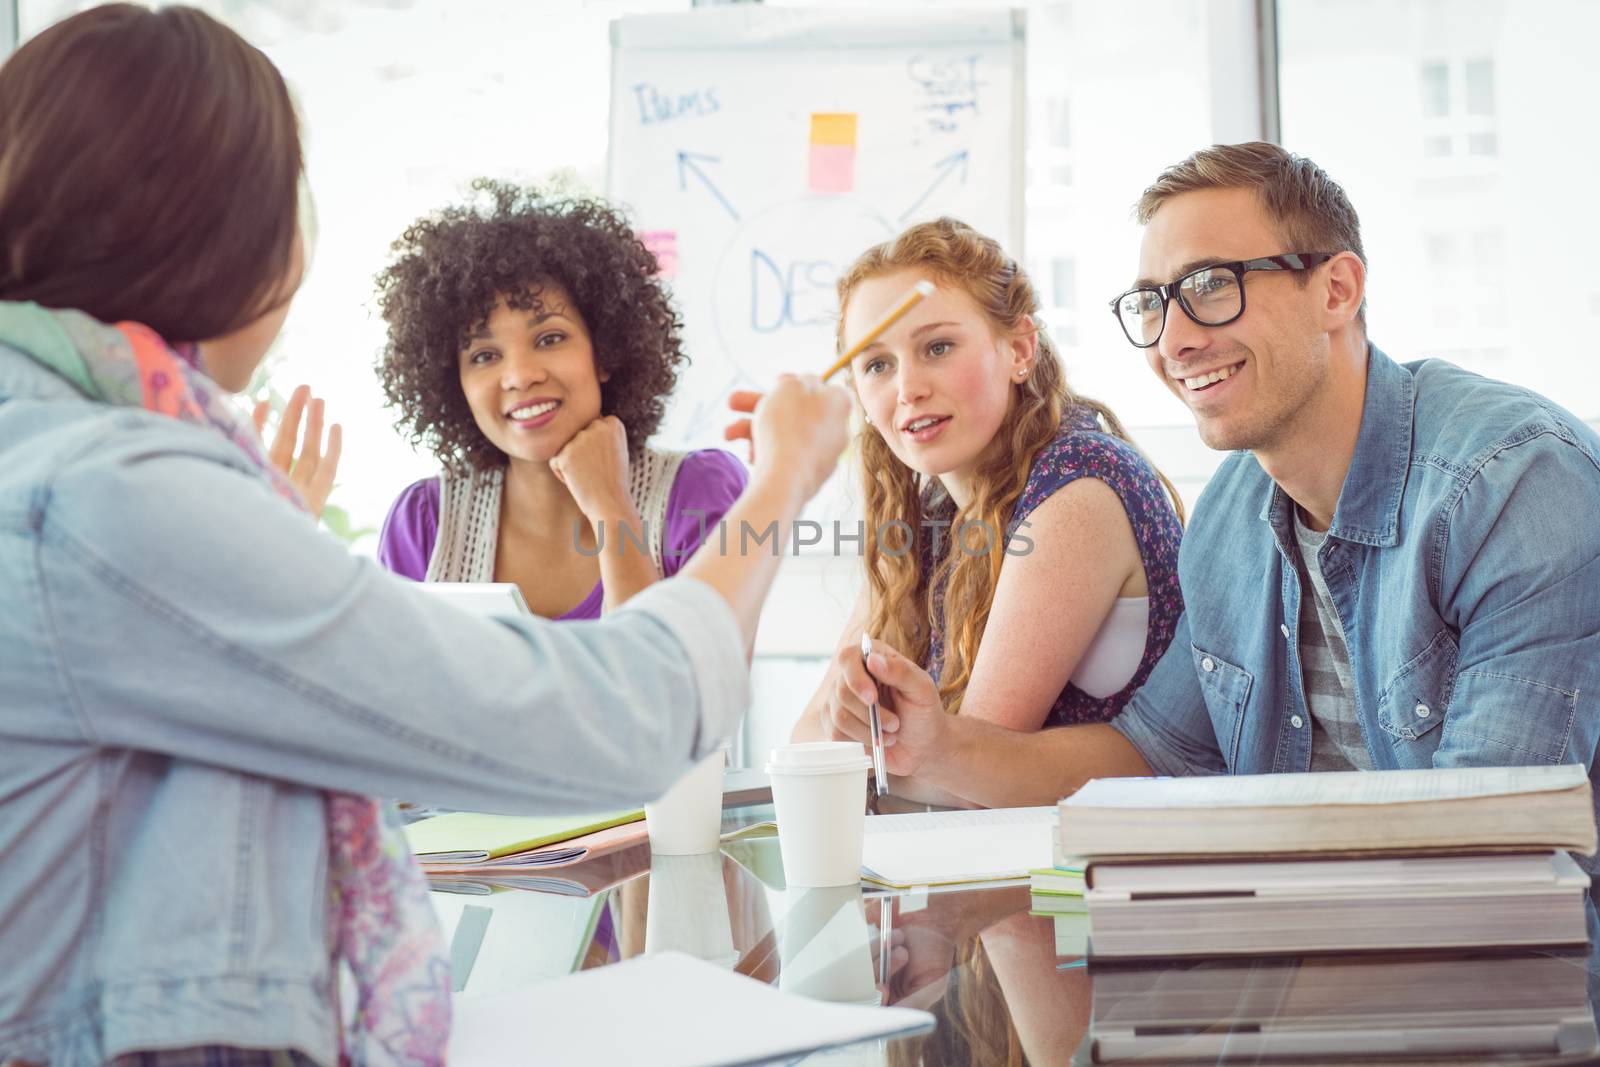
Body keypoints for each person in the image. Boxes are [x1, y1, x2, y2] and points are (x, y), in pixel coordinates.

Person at [0, 6, 850, 1064]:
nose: (519, 374)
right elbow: (634, 711)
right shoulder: (121, 495)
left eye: (548, 337)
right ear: (246, 241)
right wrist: (790, 474)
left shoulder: (64, 453)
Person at [820, 143, 1600, 848]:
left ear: (1337, 290)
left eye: (1211, 286)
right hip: (1294, 942)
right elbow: (1155, 752)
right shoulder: (1233, 513)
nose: (1175, 340)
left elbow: (1496, 839)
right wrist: (937, 747)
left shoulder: (1513, 481)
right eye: (1155, 303)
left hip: (1492, 978)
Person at [795, 218, 1184, 806]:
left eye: (938, 347)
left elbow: (968, 779)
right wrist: (843, 735)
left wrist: (854, 754)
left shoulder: (1080, 484)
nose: (908, 389)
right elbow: (803, 751)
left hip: (1100, 876)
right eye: (877, 364)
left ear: (1020, 349)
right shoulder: (933, 510)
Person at [373, 182, 746, 616]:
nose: (520, 376)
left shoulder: (697, 493)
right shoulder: (425, 524)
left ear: (604, 352)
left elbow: (676, 681)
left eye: (550, 338)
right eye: (485, 355)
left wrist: (611, 506)